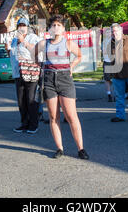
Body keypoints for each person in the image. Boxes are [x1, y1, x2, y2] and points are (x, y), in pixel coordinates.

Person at [35, 14, 89, 159]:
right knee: (53, 116)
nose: (56, 27)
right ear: (49, 29)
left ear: (63, 29)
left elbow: (79, 56)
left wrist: (71, 66)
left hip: (65, 79)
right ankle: (59, 148)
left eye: (59, 25)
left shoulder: (68, 43)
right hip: (49, 80)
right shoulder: (43, 44)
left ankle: (81, 149)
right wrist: (41, 66)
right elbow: (34, 55)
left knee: (71, 116)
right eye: (53, 25)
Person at [10, 17, 41, 134]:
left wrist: (23, 41)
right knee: (21, 100)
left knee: (30, 99)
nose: (21, 27)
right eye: (19, 25)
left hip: (30, 71)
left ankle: (33, 124)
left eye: (24, 25)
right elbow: (13, 54)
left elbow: (36, 50)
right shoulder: (14, 40)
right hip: (18, 73)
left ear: (28, 27)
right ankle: (24, 123)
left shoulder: (33, 37)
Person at [102, 28, 115, 102]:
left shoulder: (114, 40)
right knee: (108, 79)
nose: (109, 34)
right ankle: (109, 94)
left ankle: (114, 94)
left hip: (113, 61)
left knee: (114, 79)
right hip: (107, 61)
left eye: (110, 32)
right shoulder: (105, 41)